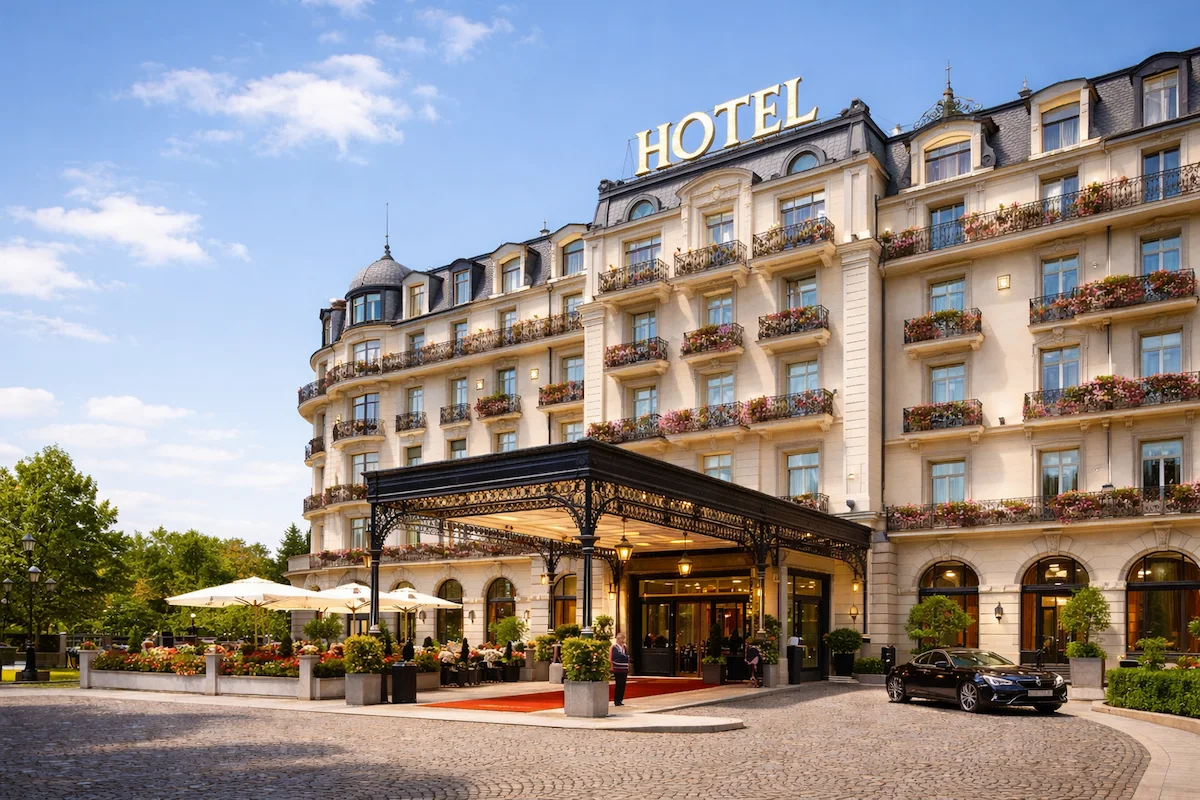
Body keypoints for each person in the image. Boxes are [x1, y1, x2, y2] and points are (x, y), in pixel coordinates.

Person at [610, 632, 630, 707]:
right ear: (618, 639)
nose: (623, 640)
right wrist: (625, 657)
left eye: (624, 638)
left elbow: (627, 656)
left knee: (623, 685)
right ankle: (616, 700)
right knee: (618, 684)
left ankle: (621, 699)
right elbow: (617, 657)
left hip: (624, 668)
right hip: (618, 668)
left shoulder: (624, 647)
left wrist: (625, 658)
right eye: (622, 638)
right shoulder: (615, 647)